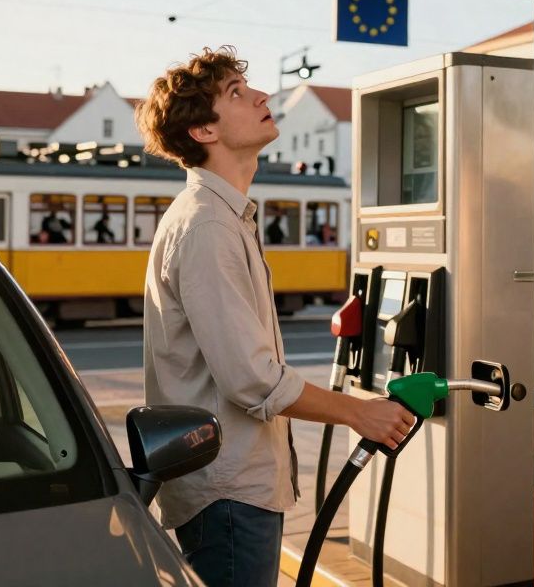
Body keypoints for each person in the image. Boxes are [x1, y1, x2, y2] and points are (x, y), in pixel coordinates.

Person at [136, 47, 413, 587]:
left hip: (234, 485)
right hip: (228, 491)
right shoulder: (208, 227)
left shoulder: (225, 217)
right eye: (236, 93)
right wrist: (359, 414)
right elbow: (252, 378)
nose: (261, 95)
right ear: (203, 132)